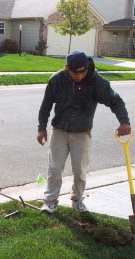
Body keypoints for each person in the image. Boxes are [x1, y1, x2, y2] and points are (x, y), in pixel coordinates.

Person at [37, 51, 131, 214]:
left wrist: (124, 121)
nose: (80, 76)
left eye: (83, 72)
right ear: (67, 68)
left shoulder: (96, 81)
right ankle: (50, 201)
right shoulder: (57, 80)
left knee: (80, 170)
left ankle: (78, 200)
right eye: (75, 72)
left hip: (82, 132)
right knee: (55, 169)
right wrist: (41, 128)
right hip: (59, 130)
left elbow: (115, 100)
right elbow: (46, 105)